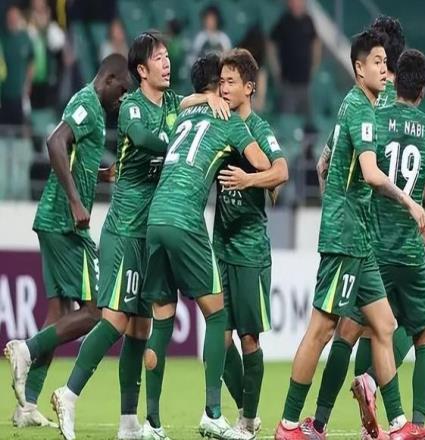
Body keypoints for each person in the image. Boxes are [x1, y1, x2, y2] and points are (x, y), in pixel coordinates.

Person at [49, 31, 230, 440]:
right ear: (141, 70)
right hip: (125, 229)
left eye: (167, 56)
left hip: (151, 231)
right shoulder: (131, 105)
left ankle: (129, 422)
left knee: (140, 328)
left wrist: (209, 98)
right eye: (158, 58)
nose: (167, 63)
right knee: (114, 320)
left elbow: (190, 103)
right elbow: (147, 139)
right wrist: (182, 139)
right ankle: (69, 393)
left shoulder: (173, 103)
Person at [274, 29, 425, 440]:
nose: (384, 69)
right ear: (359, 69)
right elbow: (371, 173)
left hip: (359, 239)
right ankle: (289, 424)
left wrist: (336, 203)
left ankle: (398, 426)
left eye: (385, 62)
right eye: (376, 62)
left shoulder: (360, 105)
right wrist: (411, 203)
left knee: (384, 325)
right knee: (322, 330)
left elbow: (324, 165)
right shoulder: (361, 109)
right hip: (346, 240)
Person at [141, 52, 270, 440]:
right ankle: (213, 413)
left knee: (161, 321)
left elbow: (182, 102)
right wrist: (254, 171)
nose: (228, 88)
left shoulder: (183, 115)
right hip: (185, 219)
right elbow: (263, 162)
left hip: (155, 218)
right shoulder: (228, 119)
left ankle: (151, 423)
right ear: (220, 86)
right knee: (217, 316)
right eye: (225, 81)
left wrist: (200, 97)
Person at [4, 53, 130, 427]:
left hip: (53, 220)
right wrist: (76, 201)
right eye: (122, 90)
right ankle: (27, 349)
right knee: (94, 310)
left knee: (58, 313)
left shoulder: (90, 106)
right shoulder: (88, 103)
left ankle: (27, 405)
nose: (122, 98)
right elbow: (55, 141)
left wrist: (98, 173)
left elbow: (73, 153)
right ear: (109, 79)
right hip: (65, 222)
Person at [352, 48, 425, 440]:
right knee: (422, 333)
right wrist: (414, 195)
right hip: (409, 249)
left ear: (394, 78)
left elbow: (364, 172)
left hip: (373, 247)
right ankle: (417, 422)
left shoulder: (374, 117)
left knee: (369, 327)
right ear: (423, 89)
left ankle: (367, 419)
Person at [215, 48, 288, 435]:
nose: (224, 88)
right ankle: (248, 411)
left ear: (249, 88)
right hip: (220, 246)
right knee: (220, 337)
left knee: (248, 339)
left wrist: (250, 181)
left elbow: (282, 171)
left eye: (231, 82)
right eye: (221, 81)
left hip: (249, 248)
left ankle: (246, 420)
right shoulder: (219, 122)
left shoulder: (258, 128)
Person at [269, 0, 321, 121]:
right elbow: (271, 43)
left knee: (307, 122)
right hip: (288, 83)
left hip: (305, 83)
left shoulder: (308, 21)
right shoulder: (284, 21)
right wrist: (275, 68)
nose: (296, 4)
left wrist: (315, 65)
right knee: (287, 120)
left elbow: (316, 42)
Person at [0, 5, 34, 127]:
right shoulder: (2, 38)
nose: (12, 20)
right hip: (3, 94)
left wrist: (28, 84)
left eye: (15, 17)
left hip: (19, 95)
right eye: (10, 17)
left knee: (20, 127)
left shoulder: (25, 38)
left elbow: (31, 62)